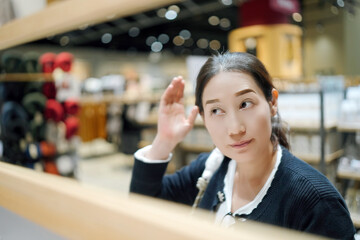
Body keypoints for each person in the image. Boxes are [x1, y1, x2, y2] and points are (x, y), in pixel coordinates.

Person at [130, 52, 355, 239]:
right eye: (216, 111)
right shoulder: (213, 166)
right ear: (204, 118)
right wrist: (164, 140)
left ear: (272, 103)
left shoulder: (316, 202)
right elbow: (143, 208)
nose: (235, 129)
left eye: (245, 104)